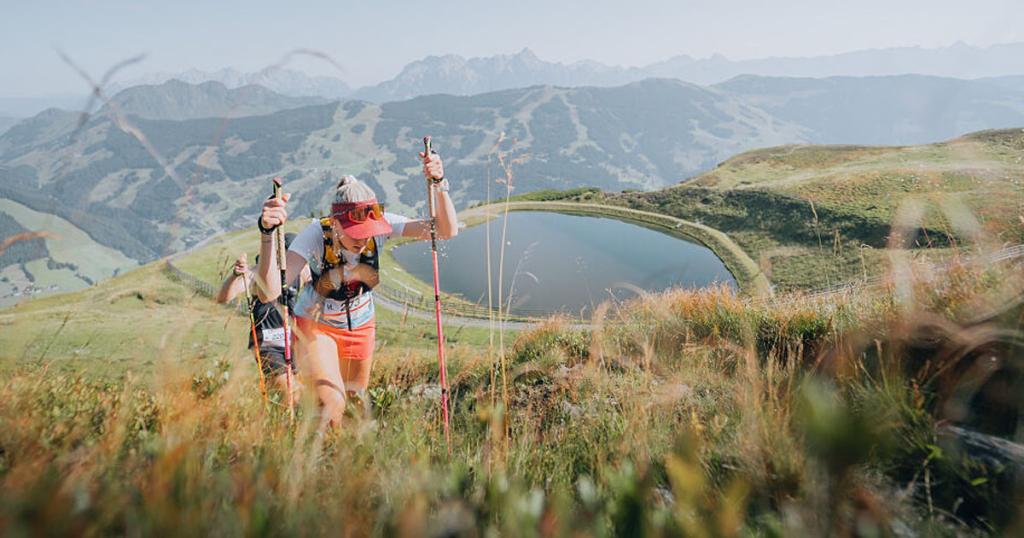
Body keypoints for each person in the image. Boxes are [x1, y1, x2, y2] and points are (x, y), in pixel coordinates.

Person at [255, 149, 457, 427]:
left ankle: (344, 462)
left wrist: (439, 184)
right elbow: (268, 293)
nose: (363, 240)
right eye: (354, 233)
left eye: (368, 232)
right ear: (334, 223)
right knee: (332, 405)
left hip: (362, 326)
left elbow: (445, 230)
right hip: (317, 325)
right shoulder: (316, 233)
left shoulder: (381, 226)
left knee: (354, 403)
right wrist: (267, 234)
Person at [215, 234, 300, 402]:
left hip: (292, 341)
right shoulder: (255, 273)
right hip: (267, 343)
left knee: (294, 391)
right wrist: (235, 275)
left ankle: (274, 419)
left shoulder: (297, 273)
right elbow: (223, 298)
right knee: (291, 392)